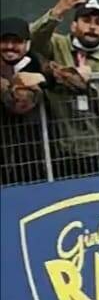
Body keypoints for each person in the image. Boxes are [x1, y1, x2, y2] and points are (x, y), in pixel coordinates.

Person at [30, 0, 99, 179]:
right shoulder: (57, 45)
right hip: (54, 149)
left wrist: (91, 86)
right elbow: (32, 40)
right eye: (86, 21)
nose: (92, 27)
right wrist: (58, 10)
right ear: (73, 26)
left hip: (89, 151)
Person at [0, 17, 48, 185]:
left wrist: (42, 78)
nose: (10, 47)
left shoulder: (35, 62)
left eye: (16, 41)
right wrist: (12, 84)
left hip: (32, 156)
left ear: (27, 44)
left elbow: (71, 80)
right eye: (5, 41)